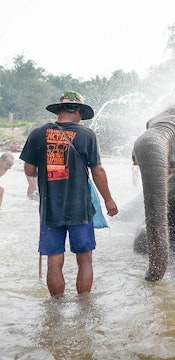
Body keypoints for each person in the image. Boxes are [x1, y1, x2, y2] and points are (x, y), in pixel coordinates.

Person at [20, 91, 118, 298]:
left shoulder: (38, 134)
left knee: (54, 261)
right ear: (79, 111)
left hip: (49, 209)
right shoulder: (86, 135)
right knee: (85, 260)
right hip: (79, 208)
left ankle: (56, 308)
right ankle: (84, 307)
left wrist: (51, 170)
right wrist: (109, 199)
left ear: (60, 109)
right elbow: (97, 171)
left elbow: (29, 172)